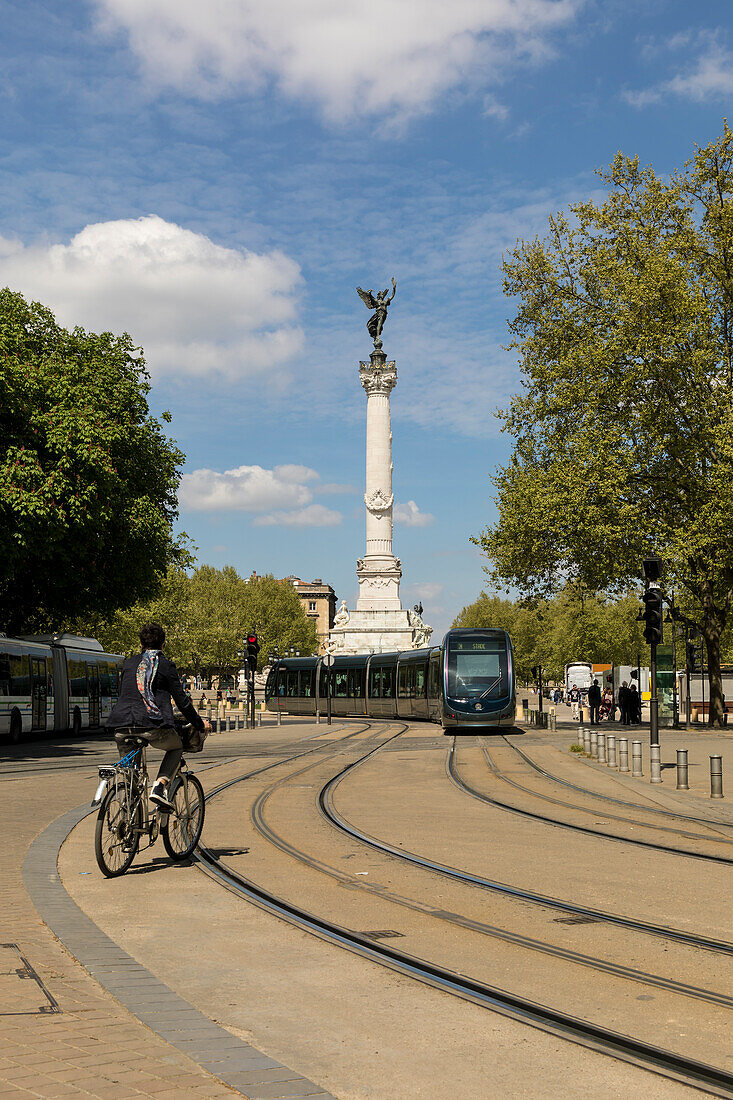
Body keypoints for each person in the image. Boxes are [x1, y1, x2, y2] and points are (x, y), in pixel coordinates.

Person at [106, 622, 212, 812]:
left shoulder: (129, 664)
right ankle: (160, 785)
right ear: (163, 645)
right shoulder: (166, 665)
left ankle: (127, 818)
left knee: (131, 775)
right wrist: (199, 723)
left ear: (140, 645)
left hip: (122, 725)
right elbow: (182, 702)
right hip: (151, 725)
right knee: (176, 747)